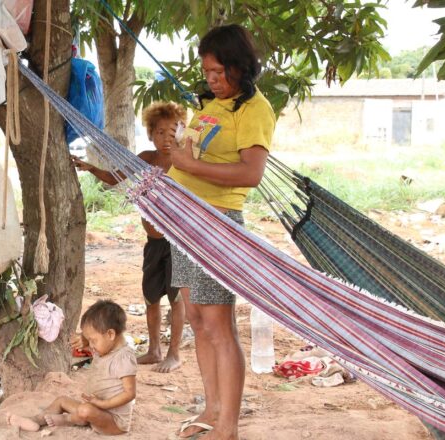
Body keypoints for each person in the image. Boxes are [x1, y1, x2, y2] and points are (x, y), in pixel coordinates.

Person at [167, 25, 276, 440]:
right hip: (185, 220)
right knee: (196, 317)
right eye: (207, 72)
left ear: (238, 66)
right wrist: (179, 153)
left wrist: (189, 165)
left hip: (216, 225)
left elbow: (251, 173)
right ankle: (212, 410)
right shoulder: (211, 105)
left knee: (218, 323)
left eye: (218, 72)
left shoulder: (254, 110)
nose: (211, 79)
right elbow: (188, 155)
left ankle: (228, 425)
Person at [72, 102, 187, 373]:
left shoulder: (184, 161)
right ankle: (154, 349)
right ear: (150, 134)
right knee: (151, 296)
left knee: (177, 298)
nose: (166, 138)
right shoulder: (146, 159)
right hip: (154, 241)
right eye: (159, 132)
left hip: (178, 241)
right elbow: (116, 177)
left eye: (172, 132)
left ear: (182, 132)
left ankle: (174, 353)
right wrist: (89, 168)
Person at [6, 299, 137, 435]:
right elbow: (93, 339)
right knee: (61, 401)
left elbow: (129, 393)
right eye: (89, 340)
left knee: (85, 410)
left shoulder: (124, 358)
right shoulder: (105, 346)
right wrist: (85, 339)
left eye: (93, 340)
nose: (90, 345)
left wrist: (102, 404)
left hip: (113, 421)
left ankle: (68, 419)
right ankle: (35, 420)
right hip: (95, 408)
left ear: (110, 334)